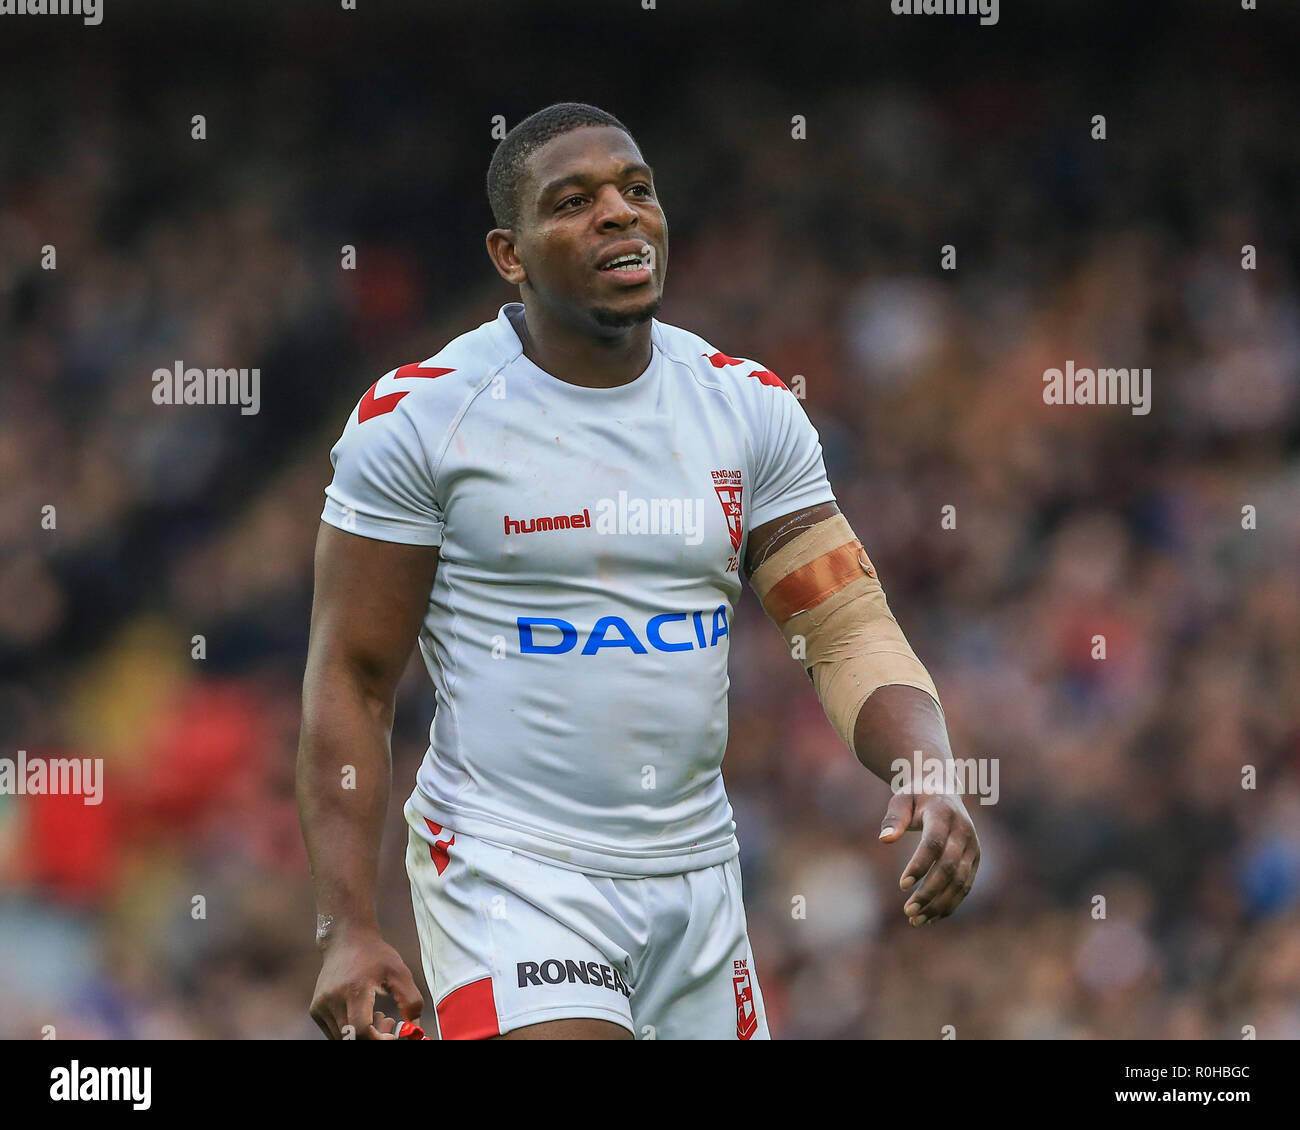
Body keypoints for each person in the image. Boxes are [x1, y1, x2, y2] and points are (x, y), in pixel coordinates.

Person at [296, 102, 979, 1041]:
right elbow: (352, 676)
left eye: (637, 190)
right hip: (512, 868)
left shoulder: (746, 409)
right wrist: (348, 927)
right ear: (510, 253)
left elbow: (843, 624)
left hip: (698, 878)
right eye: (573, 201)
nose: (619, 213)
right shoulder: (420, 422)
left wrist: (927, 768)